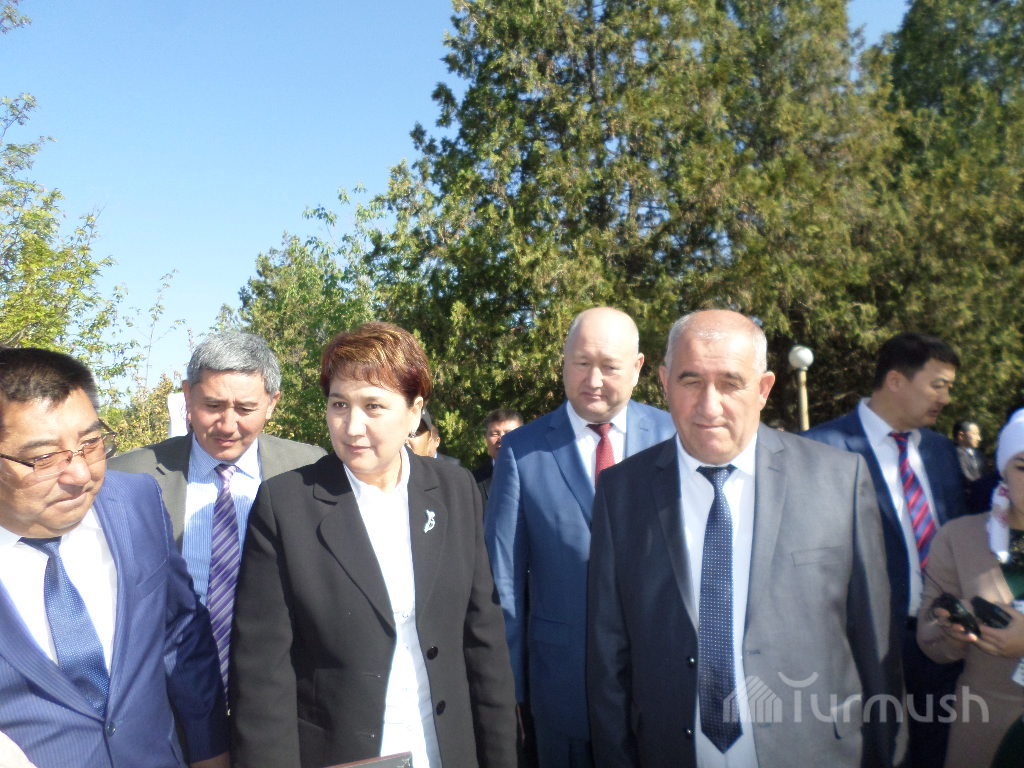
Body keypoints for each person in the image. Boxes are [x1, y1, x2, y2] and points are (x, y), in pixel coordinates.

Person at [587, 310, 903, 768]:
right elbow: (607, 655)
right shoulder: (621, 492)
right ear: (664, 382)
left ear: (763, 388)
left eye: (731, 383)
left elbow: (876, 649)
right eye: (691, 381)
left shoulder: (839, 480)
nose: (709, 405)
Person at [230, 322, 516, 768]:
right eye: (339, 404)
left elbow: (484, 642)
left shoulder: (455, 490)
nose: (352, 426)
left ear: (415, 412)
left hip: (445, 749)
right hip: (343, 753)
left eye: (373, 406)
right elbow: (262, 674)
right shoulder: (285, 505)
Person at [0, 348, 228, 768]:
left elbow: (180, 633)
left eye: (90, 443)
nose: (80, 474)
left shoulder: (136, 503)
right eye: (44, 458)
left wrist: (210, 753)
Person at [485, 306, 675, 767]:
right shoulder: (522, 450)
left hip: (663, 684)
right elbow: (503, 581)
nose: (593, 380)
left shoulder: (674, 436)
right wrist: (508, 690)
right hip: (563, 686)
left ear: (638, 367)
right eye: (581, 363)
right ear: (564, 361)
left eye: (609, 366)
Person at [110, 331, 324, 686]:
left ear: (272, 403)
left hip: (275, 683)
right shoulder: (127, 476)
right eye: (212, 406)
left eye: (245, 409)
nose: (227, 425)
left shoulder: (309, 470)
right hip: (164, 685)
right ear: (187, 395)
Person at [803, 331, 966, 768]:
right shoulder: (819, 449)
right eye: (938, 385)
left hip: (943, 642)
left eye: (949, 387)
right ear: (895, 380)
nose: (946, 398)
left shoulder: (941, 451)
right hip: (865, 649)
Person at [917, 409, 1024, 768]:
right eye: (1023, 466)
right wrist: (952, 631)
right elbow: (930, 639)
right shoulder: (959, 537)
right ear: (1003, 469)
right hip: (985, 724)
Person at [471, 408, 523, 504]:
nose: (501, 439)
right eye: (495, 434)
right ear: (486, 438)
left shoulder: (539, 476)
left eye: (509, 433)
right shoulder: (473, 481)